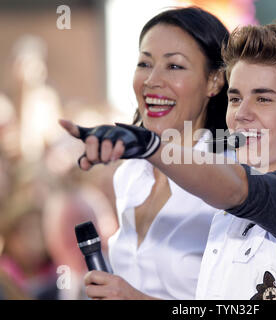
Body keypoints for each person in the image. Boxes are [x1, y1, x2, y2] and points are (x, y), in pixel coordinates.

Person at [60, 21, 276, 299]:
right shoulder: (235, 202)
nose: (242, 115)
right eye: (235, 98)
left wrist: (151, 146)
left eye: (263, 99)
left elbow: (240, 191)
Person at [61, 7, 230, 300]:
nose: (152, 80)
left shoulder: (231, 176)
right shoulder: (130, 174)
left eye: (174, 66)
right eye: (144, 63)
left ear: (215, 80)